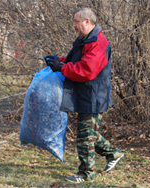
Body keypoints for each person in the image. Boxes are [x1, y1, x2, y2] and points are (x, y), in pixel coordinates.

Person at [45, 7, 124, 183]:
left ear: (86, 21)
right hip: (86, 94)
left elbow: (86, 70)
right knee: (88, 133)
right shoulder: (85, 39)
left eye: (76, 21)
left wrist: (62, 68)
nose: (73, 25)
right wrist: (60, 62)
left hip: (94, 97)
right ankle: (113, 153)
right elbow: (77, 61)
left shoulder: (98, 43)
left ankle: (86, 173)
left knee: (85, 135)